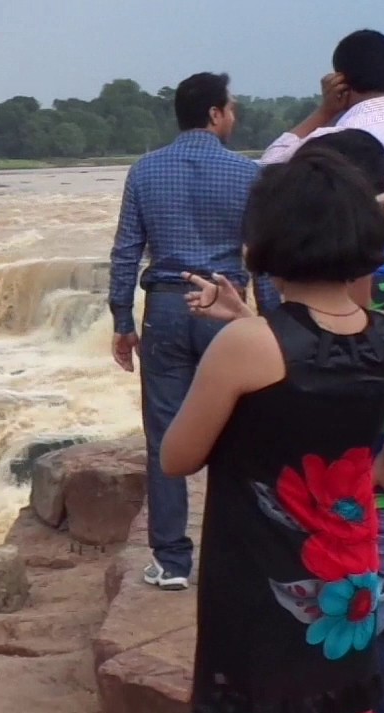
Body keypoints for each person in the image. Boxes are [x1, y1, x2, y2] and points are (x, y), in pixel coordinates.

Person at [185, 129, 384, 713]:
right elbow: (320, 351)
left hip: (383, 499)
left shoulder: (379, 277)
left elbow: (332, 352)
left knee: (338, 667)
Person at [107, 71, 280, 591]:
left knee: (165, 433)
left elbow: (125, 251)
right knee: (241, 433)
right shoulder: (248, 174)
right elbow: (263, 258)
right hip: (226, 309)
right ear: (213, 114)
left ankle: (172, 562)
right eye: (231, 108)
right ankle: (241, 554)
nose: (235, 115)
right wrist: (270, 321)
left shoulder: (144, 171)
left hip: (164, 309)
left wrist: (120, 319)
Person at [260, 29, 384, 250]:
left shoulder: (331, 141)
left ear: (339, 80)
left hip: (366, 272)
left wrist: (324, 112)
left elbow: (268, 169)